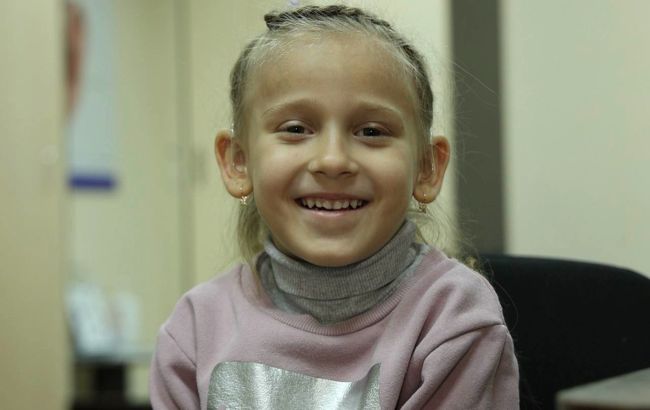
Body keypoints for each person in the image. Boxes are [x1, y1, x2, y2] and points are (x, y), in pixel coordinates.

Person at [150, 5, 519, 409]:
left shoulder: (452, 318)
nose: (332, 160)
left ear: (427, 167)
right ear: (238, 162)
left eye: (371, 131)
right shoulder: (195, 329)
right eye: (295, 129)